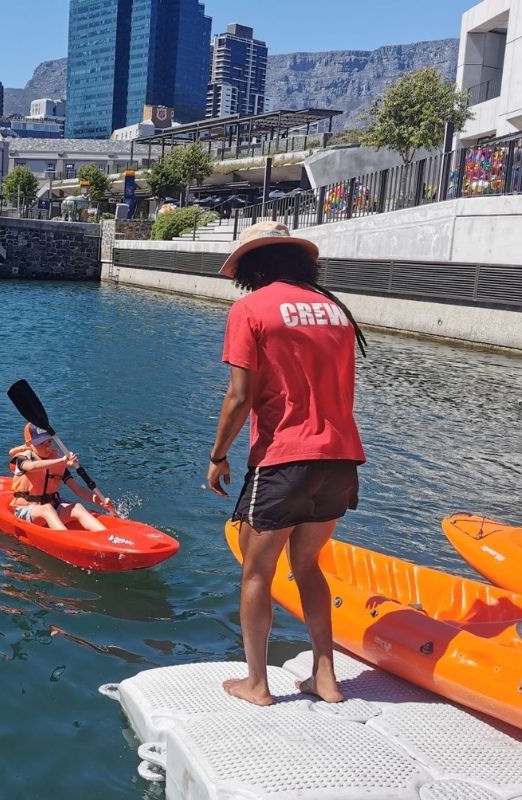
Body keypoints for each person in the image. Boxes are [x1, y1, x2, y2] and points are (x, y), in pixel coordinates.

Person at [206, 221, 367, 707]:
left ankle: (256, 684)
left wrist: (217, 456)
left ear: (251, 267)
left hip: (284, 458)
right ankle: (326, 677)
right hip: (340, 458)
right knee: (309, 566)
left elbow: (239, 396)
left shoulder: (250, 309)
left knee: (258, 572)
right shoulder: (335, 310)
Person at [9, 423, 114, 531]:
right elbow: (31, 467)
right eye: (41, 443)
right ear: (29, 444)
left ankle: (106, 535)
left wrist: (98, 500)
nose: (47, 447)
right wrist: (62, 461)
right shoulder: (21, 459)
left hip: (52, 508)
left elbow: (77, 489)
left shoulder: (56, 463)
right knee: (47, 509)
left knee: (77, 507)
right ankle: (67, 540)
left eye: (49, 441)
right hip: (25, 510)